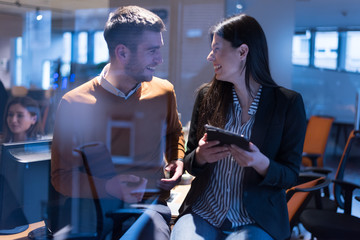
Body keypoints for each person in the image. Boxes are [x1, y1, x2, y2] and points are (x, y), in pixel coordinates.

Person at [51, 5, 185, 240]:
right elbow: (61, 177)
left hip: (148, 208)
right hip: (91, 212)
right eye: (152, 51)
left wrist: (177, 158)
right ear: (122, 53)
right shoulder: (74, 103)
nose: (160, 59)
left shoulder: (164, 92)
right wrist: (108, 187)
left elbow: (174, 133)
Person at [170, 14, 307, 240]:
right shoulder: (206, 97)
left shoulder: (288, 104)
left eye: (216, 49)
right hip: (204, 212)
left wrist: (260, 163)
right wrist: (201, 156)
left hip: (255, 221)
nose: (209, 56)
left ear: (243, 52)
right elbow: (189, 162)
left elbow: (291, 175)